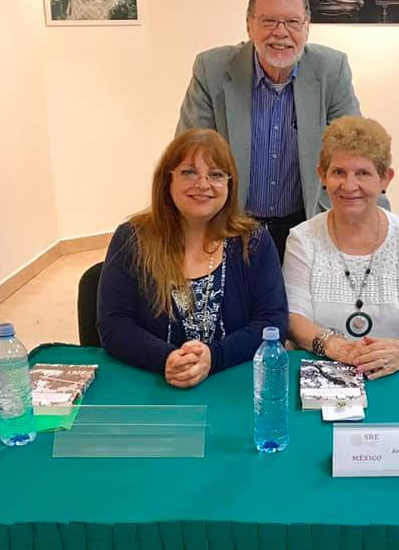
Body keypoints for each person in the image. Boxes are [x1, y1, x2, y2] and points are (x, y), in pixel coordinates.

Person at [176, 0, 361, 261]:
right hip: (233, 224)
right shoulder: (211, 69)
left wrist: (327, 219)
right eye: (269, 21)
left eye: (292, 22)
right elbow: (189, 155)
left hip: (305, 225)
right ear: (249, 25)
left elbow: (354, 153)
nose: (281, 33)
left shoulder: (331, 69)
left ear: (307, 27)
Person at [97, 129, 287, 387]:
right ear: (167, 180)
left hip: (231, 385)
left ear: (229, 185)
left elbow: (272, 321)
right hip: (150, 384)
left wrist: (214, 357)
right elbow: (114, 324)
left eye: (216, 174)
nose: (203, 184)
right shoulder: (132, 239)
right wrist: (167, 359)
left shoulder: (253, 242)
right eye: (189, 172)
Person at [283, 117, 399, 378]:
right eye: (338, 172)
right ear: (322, 175)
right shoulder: (302, 239)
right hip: (321, 373)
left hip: (396, 372)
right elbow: (293, 316)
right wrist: (335, 346)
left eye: (363, 173)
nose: (349, 185)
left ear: (385, 179)